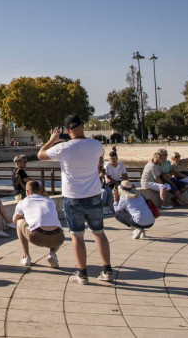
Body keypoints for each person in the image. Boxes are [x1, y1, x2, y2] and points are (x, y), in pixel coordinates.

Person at [38, 114, 113, 285]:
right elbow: (101, 154)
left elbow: (40, 154)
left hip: (73, 197)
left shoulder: (64, 148)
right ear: (83, 125)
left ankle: (82, 273)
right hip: (94, 195)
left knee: (77, 236)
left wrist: (52, 140)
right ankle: (107, 270)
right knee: (99, 233)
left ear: (67, 130)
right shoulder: (96, 145)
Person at [13, 180, 65, 270]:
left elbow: (14, 219)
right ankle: (52, 253)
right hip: (58, 238)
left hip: (37, 237)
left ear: (27, 191)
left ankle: (26, 257)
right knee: (51, 222)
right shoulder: (50, 201)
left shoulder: (23, 202)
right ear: (40, 191)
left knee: (19, 222)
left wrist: (27, 218)